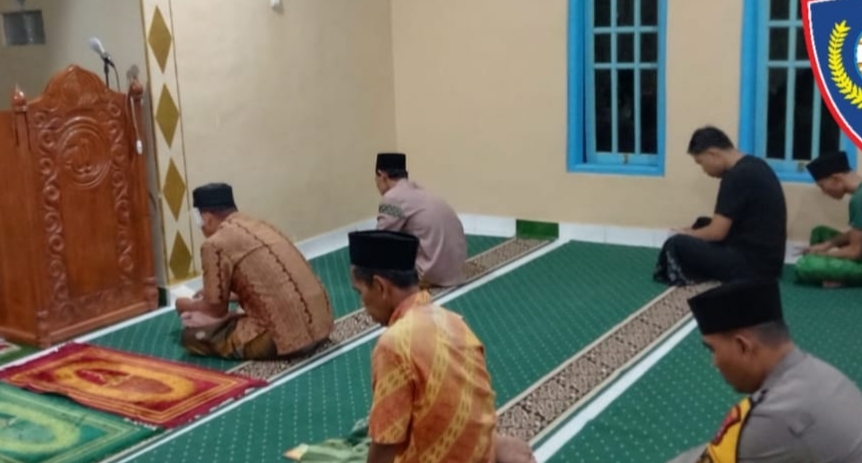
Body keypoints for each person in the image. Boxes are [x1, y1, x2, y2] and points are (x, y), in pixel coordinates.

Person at [347, 230, 535, 463]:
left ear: (380, 287)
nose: (362, 303)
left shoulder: (393, 345)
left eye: (360, 292)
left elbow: (386, 444)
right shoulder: (455, 322)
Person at [667, 279, 862, 463]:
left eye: (713, 350)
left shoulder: (771, 415)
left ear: (743, 346)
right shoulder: (820, 373)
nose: (714, 363)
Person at [175, 183, 334, 360]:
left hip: (283, 339)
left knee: (191, 336)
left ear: (206, 218)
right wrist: (226, 296)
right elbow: (267, 281)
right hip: (322, 324)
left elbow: (215, 311)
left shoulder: (214, 244)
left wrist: (184, 305)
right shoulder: (260, 226)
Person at [654, 126, 787, 285]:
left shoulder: (735, 177)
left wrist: (687, 234)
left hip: (753, 266)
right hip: (770, 261)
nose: (704, 170)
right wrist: (694, 231)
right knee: (702, 223)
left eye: (701, 163)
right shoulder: (756, 164)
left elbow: (717, 233)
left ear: (713, 154)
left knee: (676, 243)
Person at [374, 152, 467, 288]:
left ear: (382, 176)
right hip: (458, 270)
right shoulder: (417, 191)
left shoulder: (392, 198)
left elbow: (379, 239)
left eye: (375, 179)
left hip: (432, 271)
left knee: (377, 257)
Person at [795, 151, 862, 287]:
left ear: (836, 178)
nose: (824, 192)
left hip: (858, 253)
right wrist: (827, 245)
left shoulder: (858, 199)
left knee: (805, 265)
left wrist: (821, 255)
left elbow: (855, 251)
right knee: (820, 233)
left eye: (822, 186)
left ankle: (842, 277)